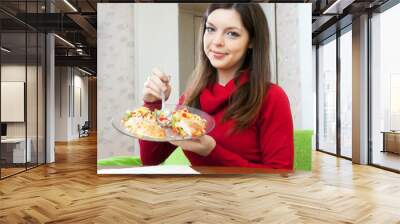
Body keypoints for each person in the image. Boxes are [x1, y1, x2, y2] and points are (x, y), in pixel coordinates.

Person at [139, 3, 294, 170]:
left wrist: (212, 151)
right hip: (200, 194)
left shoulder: (271, 97)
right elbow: (151, 158)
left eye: (232, 34)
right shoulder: (190, 98)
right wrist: (152, 103)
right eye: (211, 29)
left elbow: (280, 176)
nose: (217, 42)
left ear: (251, 41)